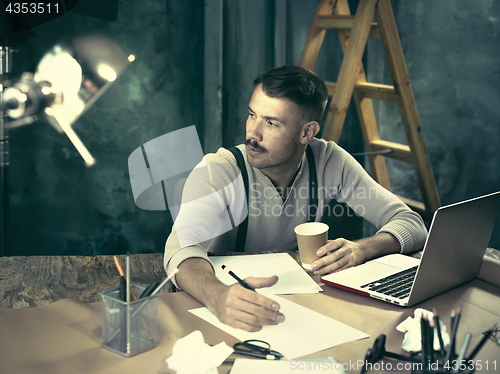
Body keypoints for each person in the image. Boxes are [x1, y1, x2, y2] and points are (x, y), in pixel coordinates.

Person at [164, 66, 427, 332]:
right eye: (252, 115)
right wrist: (217, 296)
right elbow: (182, 249)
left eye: (271, 123)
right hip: (227, 306)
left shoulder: (328, 161)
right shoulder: (219, 169)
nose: (252, 134)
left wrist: (362, 249)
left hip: (302, 308)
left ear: (307, 133)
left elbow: (411, 223)